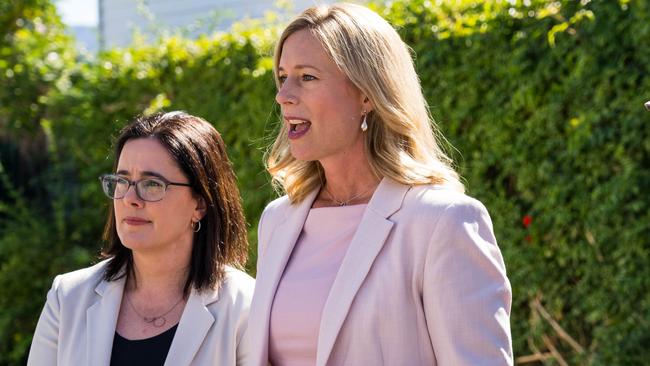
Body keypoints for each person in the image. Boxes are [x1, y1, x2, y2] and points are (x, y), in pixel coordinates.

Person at [248, 3, 512, 366]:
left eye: (306, 77)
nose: (283, 95)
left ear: (367, 94)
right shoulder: (277, 221)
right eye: (282, 77)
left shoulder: (442, 222)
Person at [27, 111, 254, 365]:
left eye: (152, 184)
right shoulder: (68, 298)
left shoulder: (244, 307)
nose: (129, 199)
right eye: (122, 181)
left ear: (199, 204)